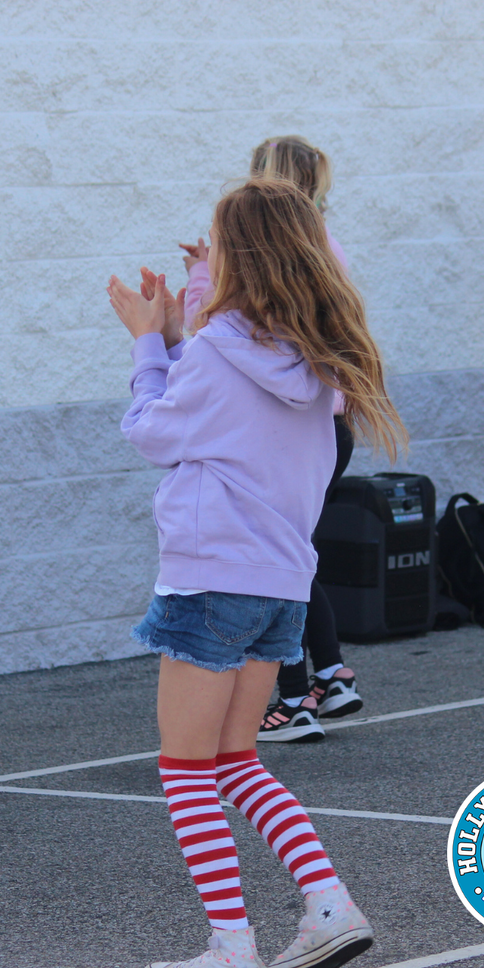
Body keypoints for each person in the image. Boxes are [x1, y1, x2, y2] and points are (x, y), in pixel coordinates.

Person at [107, 177, 408, 968]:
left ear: (233, 255)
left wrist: (148, 342)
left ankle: (231, 946)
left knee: (184, 767)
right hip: (280, 585)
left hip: (210, 580)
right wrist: (175, 339)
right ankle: (327, 905)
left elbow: (152, 431)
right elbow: (209, 418)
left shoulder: (214, 350)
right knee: (236, 757)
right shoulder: (320, 358)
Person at [177, 135, 362, 743]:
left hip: (284, 429)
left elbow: (224, 334)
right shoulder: (321, 245)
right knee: (291, 554)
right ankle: (327, 674)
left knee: (273, 562)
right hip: (324, 423)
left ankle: (290, 697)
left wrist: (198, 280)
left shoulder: (276, 256)